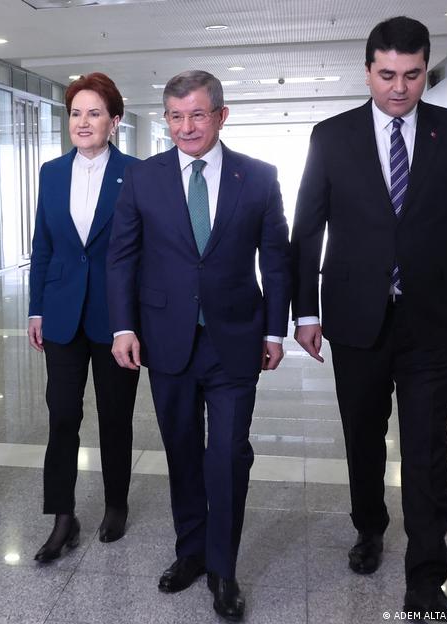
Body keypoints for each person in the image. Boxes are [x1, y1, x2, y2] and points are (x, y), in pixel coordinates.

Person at [291, 16, 447, 621]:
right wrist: (305, 311)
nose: (399, 88)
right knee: (362, 435)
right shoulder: (332, 137)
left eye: (412, 74)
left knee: (427, 446)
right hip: (356, 318)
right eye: (387, 75)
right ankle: (370, 526)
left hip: (433, 318)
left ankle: (426, 579)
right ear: (367, 72)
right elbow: (307, 230)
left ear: (425, 69)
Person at [107, 70, 290, 622]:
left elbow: (276, 260)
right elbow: (122, 257)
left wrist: (274, 330)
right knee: (182, 449)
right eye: (175, 116)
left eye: (197, 115)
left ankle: (223, 569)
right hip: (166, 340)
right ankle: (190, 551)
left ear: (221, 115)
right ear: (166, 118)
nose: (186, 127)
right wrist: (123, 327)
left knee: (228, 454)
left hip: (235, 338)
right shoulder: (143, 178)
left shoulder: (257, 177)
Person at [27, 72, 141, 562]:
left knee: (115, 416)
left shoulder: (137, 173)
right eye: (76, 113)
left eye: (94, 113)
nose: (83, 122)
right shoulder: (51, 172)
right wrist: (36, 307)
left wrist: (135, 319)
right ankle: (62, 515)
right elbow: (43, 244)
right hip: (61, 313)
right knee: (62, 416)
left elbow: (144, 251)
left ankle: (116, 504)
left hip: (116, 318)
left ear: (114, 120)